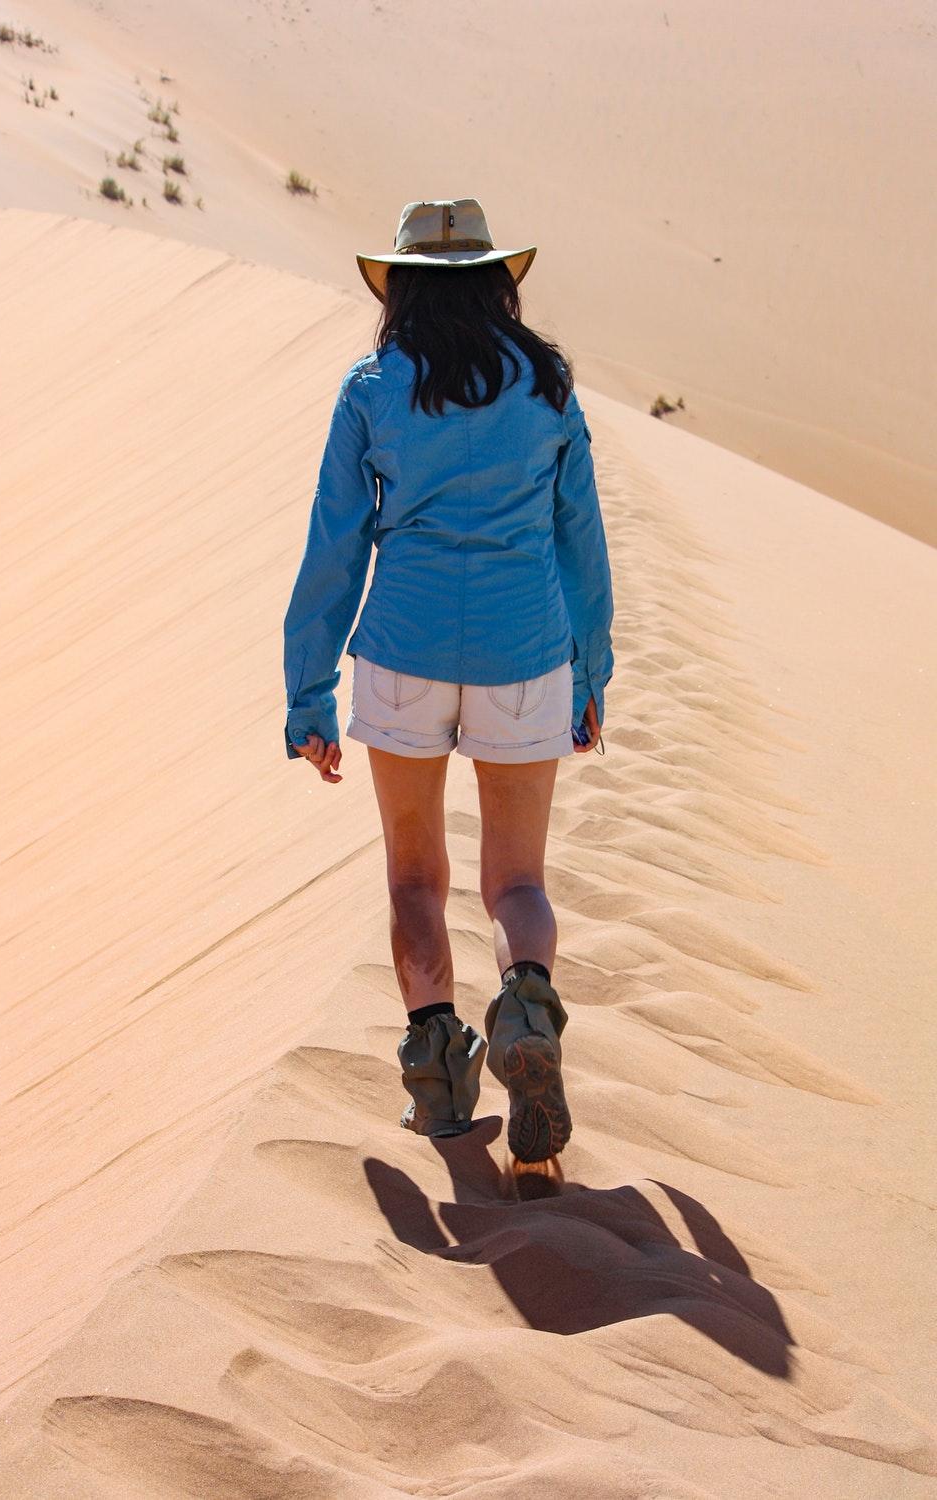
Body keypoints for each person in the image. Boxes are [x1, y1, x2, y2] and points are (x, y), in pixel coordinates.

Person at [282, 198, 614, 1171]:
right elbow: (580, 544)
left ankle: (437, 1086)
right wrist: (589, 672)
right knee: (515, 881)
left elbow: (333, 547)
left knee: (414, 877)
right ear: (494, 282)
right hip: (524, 653)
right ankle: (526, 1011)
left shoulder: (372, 386)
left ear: (404, 287)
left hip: (402, 654)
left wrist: (307, 692)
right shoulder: (546, 385)